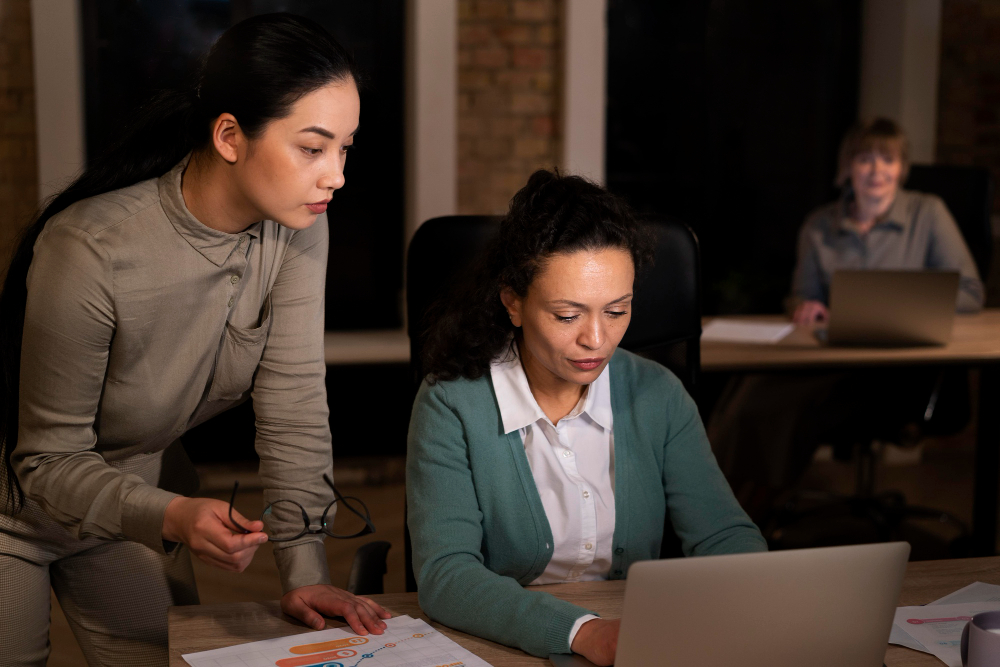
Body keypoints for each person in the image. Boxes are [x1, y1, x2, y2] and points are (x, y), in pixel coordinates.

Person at [0, 14, 389, 667]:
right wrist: (174, 516)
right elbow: (46, 461)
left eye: (345, 148)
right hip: (15, 506)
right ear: (231, 136)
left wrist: (304, 571)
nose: (336, 176)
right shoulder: (89, 249)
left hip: (133, 503)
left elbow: (294, 405)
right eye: (313, 147)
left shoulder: (297, 228)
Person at [406, 170, 766, 666]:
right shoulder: (451, 403)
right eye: (567, 315)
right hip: (502, 646)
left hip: (638, 641)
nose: (596, 340)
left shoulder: (659, 394)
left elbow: (724, 535)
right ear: (513, 302)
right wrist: (581, 631)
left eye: (616, 311)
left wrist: (763, 605)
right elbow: (446, 575)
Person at [709, 117, 985, 517]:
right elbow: (802, 296)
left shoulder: (929, 213)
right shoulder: (820, 225)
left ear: (901, 167)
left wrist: (893, 306)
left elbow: (971, 293)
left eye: (887, 160)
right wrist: (805, 306)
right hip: (832, 356)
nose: (876, 170)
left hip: (901, 367)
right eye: (865, 159)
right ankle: (725, 504)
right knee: (744, 389)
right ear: (848, 167)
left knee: (766, 405)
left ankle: (746, 509)